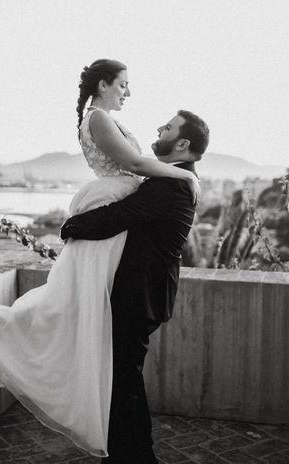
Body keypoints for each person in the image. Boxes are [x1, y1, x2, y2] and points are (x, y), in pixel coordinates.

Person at [0, 59, 200, 457]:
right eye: (123, 83)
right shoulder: (101, 119)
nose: (128, 91)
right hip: (110, 208)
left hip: (123, 233)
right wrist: (185, 175)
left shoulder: (160, 178)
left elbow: (138, 191)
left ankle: (129, 450)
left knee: (77, 306)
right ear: (103, 84)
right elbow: (138, 165)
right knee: (72, 303)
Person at [61, 109, 209, 463]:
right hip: (140, 293)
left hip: (139, 295)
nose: (160, 128)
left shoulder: (173, 183)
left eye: (169, 127)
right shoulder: (176, 178)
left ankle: (138, 457)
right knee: (123, 380)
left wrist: (71, 226)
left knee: (124, 383)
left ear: (183, 143)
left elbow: (118, 217)